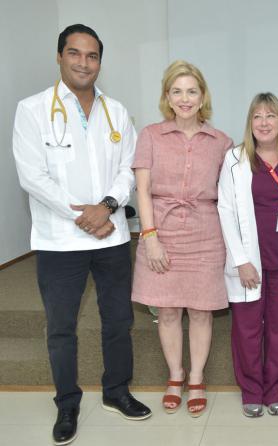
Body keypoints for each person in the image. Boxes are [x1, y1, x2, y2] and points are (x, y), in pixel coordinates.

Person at [12, 24, 151, 445]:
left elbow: (128, 168)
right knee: (61, 327)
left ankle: (116, 392)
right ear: (60, 57)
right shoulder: (33, 109)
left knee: (119, 320)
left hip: (110, 237)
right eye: (75, 54)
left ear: (99, 62)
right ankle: (67, 402)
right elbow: (32, 176)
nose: (83, 63)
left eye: (91, 56)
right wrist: (83, 215)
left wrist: (106, 207)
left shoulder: (117, 111)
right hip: (59, 240)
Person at [131, 60, 232, 418]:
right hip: (162, 230)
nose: (185, 98)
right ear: (167, 97)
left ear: (203, 95)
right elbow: (142, 191)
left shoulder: (222, 142)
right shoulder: (150, 135)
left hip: (206, 233)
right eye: (177, 91)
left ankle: (198, 377)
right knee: (169, 310)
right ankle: (175, 376)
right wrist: (150, 237)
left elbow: (231, 197)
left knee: (202, 312)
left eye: (192, 91)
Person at [218, 92, 278, 417]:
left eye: (270, 116)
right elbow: (226, 210)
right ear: (250, 123)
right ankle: (251, 390)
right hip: (250, 262)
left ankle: (275, 388)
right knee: (247, 328)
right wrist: (241, 260)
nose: (264, 122)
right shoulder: (235, 159)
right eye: (257, 117)